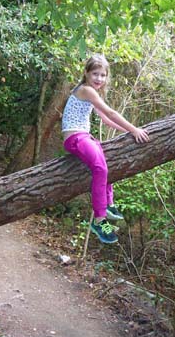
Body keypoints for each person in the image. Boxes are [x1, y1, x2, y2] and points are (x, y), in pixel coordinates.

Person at [61, 54, 150, 244]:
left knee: (106, 163)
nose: (99, 79)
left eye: (103, 75)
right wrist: (134, 129)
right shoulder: (86, 90)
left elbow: (106, 119)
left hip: (84, 137)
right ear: (86, 73)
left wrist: (128, 132)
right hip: (75, 138)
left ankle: (109, 205)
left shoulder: (92, 92)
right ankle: (99, 220)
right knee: (100, 169)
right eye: (95, 74)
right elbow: (111, 112)